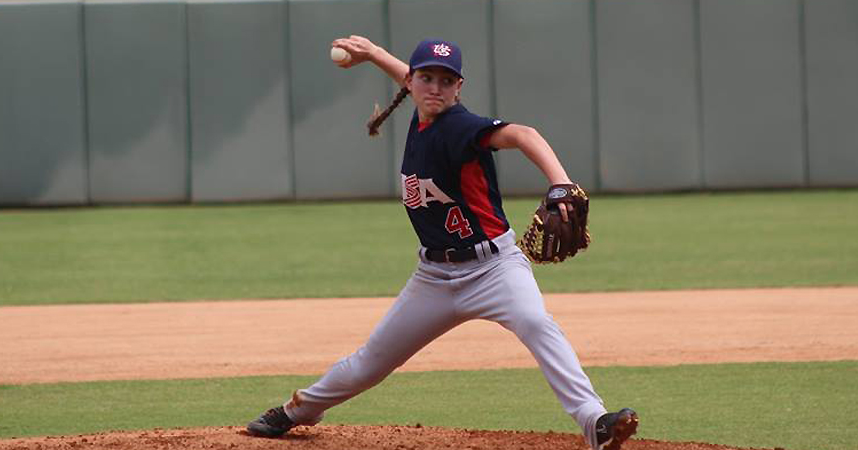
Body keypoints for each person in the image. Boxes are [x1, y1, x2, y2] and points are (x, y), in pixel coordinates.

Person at [245, 36, 639, 450]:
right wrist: (376, 54)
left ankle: (594, 420)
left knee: (538, 324)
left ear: (458, 88)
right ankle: (299, 411)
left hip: (494, 268)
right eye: (427, 77)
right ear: (412, 84)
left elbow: (525, 134)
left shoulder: (460, 127)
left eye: (447, 80)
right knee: (370, 362)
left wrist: (561, 183)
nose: (435, 87)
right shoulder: (421, 110)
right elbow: (411, 79)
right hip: (433, 276)